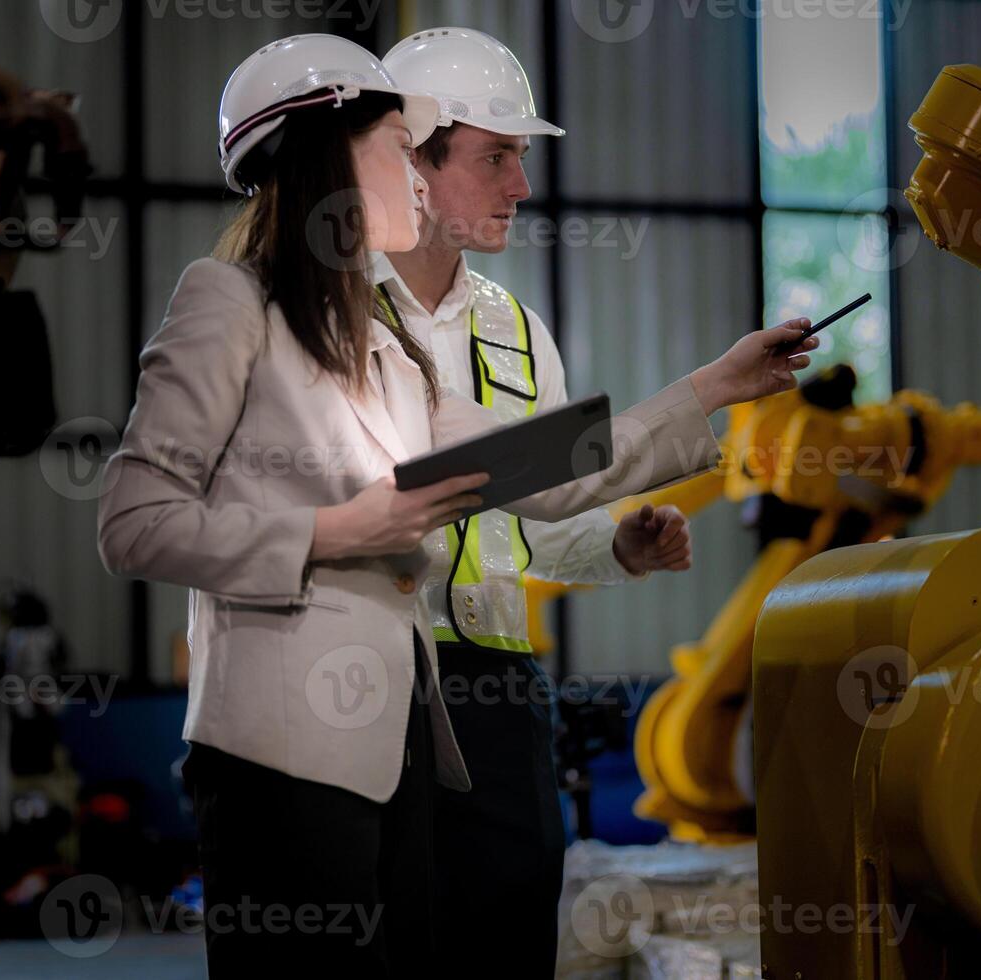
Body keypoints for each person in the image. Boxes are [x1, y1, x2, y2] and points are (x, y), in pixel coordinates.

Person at [96, 32, 817, 979]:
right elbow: (132, 519)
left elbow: (547, 469)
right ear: (334, 159)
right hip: (277, 752)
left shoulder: (389, 353)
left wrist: (713, 387)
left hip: (399, 746)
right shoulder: (229, 302)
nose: (421, 175)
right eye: (402, 147)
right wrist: (332, 533)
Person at [380, 28, 696, 974]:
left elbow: (529, 523)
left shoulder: (517, 328)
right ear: (415, 162)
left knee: (512, 941)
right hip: (377, 683)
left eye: (521, 158)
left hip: (502, 689)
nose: (522, 184)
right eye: (498, 157)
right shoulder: (333, 318)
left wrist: (617, 549)